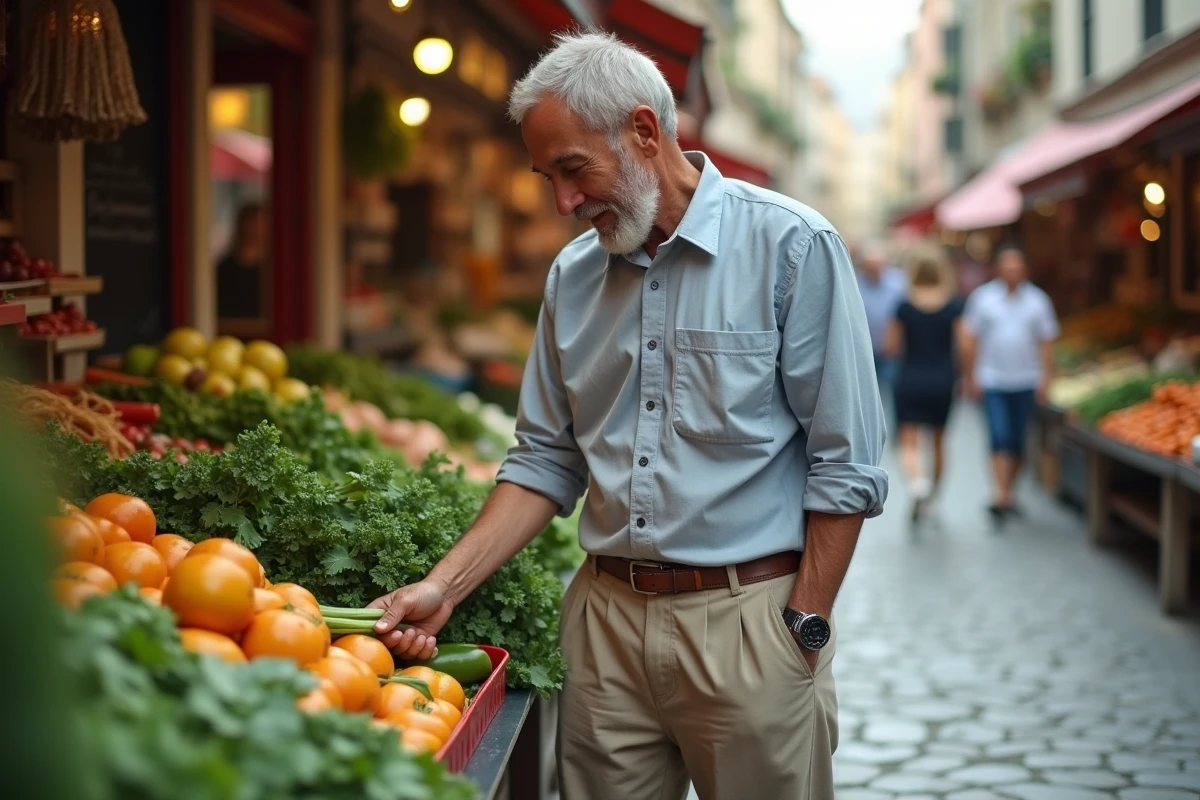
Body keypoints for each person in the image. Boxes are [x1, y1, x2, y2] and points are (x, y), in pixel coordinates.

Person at [367, 31, 887, 800]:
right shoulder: (572, 278)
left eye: (573, 169)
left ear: (645, 132)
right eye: (547, 177)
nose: (563, 203)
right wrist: (445, 587)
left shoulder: (792, 246)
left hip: (750, 625)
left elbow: (846, 465)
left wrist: (802, 627)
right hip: (604, 628)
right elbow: (545, 460)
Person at [962, 246, 1059, 522]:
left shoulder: (1038, 301)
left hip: (1025, 380)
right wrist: (971, 376)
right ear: (998, 269)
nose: (1012, 272)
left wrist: (1045, 377)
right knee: (999, 435)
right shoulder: (983, 298)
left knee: (1017, 440)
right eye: (1007, 267)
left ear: (1025, 270)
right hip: (992, 378)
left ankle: (1009, 491)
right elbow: (971, 339)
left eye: (1016, 267)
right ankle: (1000, 494)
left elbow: (1047, 342)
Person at [886, 245, 964, 522]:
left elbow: (891, 346)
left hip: (911, 378)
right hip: (942, 379)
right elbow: (964, 347)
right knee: (940, 442)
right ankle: (933, 499)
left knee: (908, 441)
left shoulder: (904, 306)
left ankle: (917, 483)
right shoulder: (953, 305)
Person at [856, 239, 908, 398]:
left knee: (894, 390)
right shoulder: (856, 283)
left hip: (893, 350)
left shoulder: (900, 282)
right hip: (865, 350)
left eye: (877, 265)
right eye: (869, 266)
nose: (874, 270)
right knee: (867, 393)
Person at [216, 203, 266, 321]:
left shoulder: (273, 269)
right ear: (241, 225)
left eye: (262, 223)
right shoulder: (225, 268)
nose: (257, 228)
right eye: (253, 222)